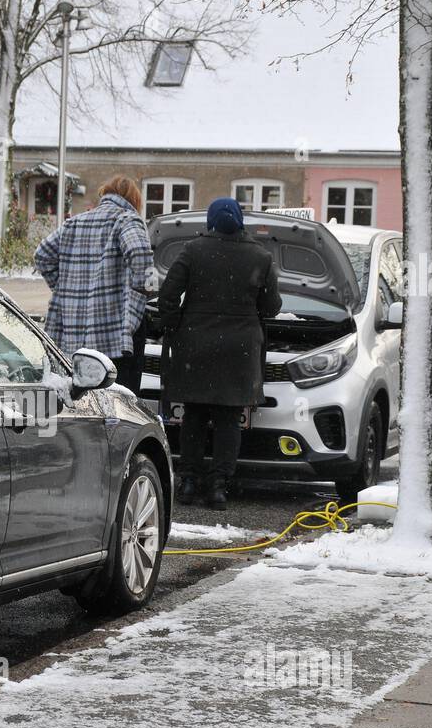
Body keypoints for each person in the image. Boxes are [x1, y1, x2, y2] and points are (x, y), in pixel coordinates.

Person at [158, 197, 282, 509]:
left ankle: (188, 482)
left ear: (210, 221)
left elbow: (168, 294)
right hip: (238, 351)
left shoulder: (193, 250)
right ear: (241, 221)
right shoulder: (260, 256)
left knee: (195, 416)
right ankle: (218, 485)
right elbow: (271, 307)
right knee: (229, 420)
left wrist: (174, 326)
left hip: (195, 345)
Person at [34, 176, 154, 393]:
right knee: (119, 401)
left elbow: (42, 255)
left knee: (81, 400)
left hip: (73, 334)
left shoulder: (74, 223)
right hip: (115, 334)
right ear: (134, 199)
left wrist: (66, 291)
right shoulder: (127, 220)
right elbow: (140, 257)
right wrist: (144, 292)